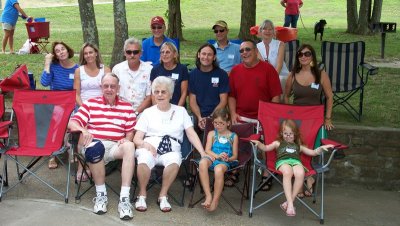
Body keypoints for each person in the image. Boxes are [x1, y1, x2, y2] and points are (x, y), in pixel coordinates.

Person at [133, 76, 207, 212]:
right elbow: (137, 139)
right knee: (143, 159)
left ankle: (163, 195)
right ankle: (142, 193)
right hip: (150, 147)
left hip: (172, 149)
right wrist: (145, 145)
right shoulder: (147, 113)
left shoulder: (181, 111)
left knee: (175, 160)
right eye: (156, 92)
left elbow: (191, 134)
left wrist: (202, 153)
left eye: (163, 91)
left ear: (171, 94)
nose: (159, 95)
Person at [68, 73, 136, 220]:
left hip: (115, 146)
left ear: (118, 88)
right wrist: (84, 130)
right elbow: (71, 123)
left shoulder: (127, 107)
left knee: (130, 146)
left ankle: (124, 199)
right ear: (101, 87)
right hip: (94, 143)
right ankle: (101, 195)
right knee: (95, 147)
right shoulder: (90, 104)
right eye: (106, 86)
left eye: (113, 86)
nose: (109, 89)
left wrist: (126, 139)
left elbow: (130, 131)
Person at [250, 119, 333, 217]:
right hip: (283, 162)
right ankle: (290, 205)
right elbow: (266, 148)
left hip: (296, 162)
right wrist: (259, 144)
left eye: (290, 133)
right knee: (288, 172)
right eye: (285, 133)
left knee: (300, 173)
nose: (288, 136)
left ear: (295, 134)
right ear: (281, 133)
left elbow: (313, 152)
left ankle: (289, 203)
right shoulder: (278, 143)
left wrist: (320, 149)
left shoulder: (298, 145)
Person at [229, 39, 282, 189]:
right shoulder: (235, 71)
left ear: (256, 51)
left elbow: (276, 96)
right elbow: (231, 95)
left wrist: (270, 117)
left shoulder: (268, 70)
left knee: (267, 144)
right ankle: (235, 170)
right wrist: (233, 113)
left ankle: (267, 172)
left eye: (248, 49)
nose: (244, 53)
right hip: (241, 116)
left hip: (263, 117)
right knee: (235, 143)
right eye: (241, 51)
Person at [284, 44, 334, 197]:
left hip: (315, 118)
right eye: (300, 54)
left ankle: (309, 177)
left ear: (312, 56)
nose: (303, 57)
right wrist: (288, 115)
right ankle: (301, 179)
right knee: (296, 148)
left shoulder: (321, 74)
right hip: (297, 119)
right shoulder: (292, 75)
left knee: (310, 147)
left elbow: (330, 96)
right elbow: (286, 96)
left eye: (307, 54)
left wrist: (328, 118)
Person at [73, 42, 111, 182]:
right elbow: (76, 94)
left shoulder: (105, 70)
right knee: (84, 131)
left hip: (102, 106)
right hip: (83, 106)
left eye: (91, 52)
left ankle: (93, 164)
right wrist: (85, 108)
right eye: (86, 53)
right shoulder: (79, 71)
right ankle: (81, 167)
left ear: (96, 53)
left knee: (96, 130)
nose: (88, 55)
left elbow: (109, 91)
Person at [40, 41, 79, 170]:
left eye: (63, 49)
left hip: (71, 103)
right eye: (57, 51)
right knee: (55, 118)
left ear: (68, 51)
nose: (61, 52)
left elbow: (79, 90)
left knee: (72, 119)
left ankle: (69, 150)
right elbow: (44, 83)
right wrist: (47, 63)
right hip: (56, 103)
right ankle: (53, 154)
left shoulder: (77, 69)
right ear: (55, 55)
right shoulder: (54, 67)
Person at [198, 108, 239, 212]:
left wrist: (228, 158)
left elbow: (235, 156)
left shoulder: (233, 136)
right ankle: (208, 195)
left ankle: (215, 200)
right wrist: (216, 156)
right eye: (215, 123)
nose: (218, 125)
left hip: (224, 161)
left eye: (221, 123)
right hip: (212, 157)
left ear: (228, 123)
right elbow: (207, 150)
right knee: (202, 163)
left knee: (218, 169)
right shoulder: (212, 134)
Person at [189, 43, 229, 131]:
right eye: (203, 54)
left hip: (217, 114)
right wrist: (200, 118)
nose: (206, 57)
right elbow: (192, 101)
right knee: (189, 127)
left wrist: (210, 117)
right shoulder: (192, 75)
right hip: (198, 114)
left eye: (209, 54)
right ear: (199, 55)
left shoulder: (222, 75)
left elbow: (223, 101)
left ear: (214, 57)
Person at [112, 37, 152, 116]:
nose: (132, 55)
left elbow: (149, 97)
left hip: (142, 113)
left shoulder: (149, 70)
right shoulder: (117, 69)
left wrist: (135, 113)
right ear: (124, 53)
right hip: (120, 112)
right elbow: (113, 93)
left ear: (141, 53)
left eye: (135, 52)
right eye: (129, 52)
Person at [150, 42, 188, 106]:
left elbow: (184, 93)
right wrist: (157, 110)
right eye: (162, 52)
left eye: (167, 52)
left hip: (177, 106)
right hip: (160, 107)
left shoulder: (182, 69)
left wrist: (178, 110)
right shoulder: (155, 70)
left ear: (175, 54)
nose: (164, 54)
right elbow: (153, 93)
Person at [256, 19, 289, 94]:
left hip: (280, 75)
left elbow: (279, 65)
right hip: (265, 76)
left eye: (270, 29)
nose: (267, 31)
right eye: (265, 29)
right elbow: (263, 65)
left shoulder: (280, 44)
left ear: (273, 31)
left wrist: (272, 80)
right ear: (260, 31)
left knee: (280, 80)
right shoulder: (256, 47)